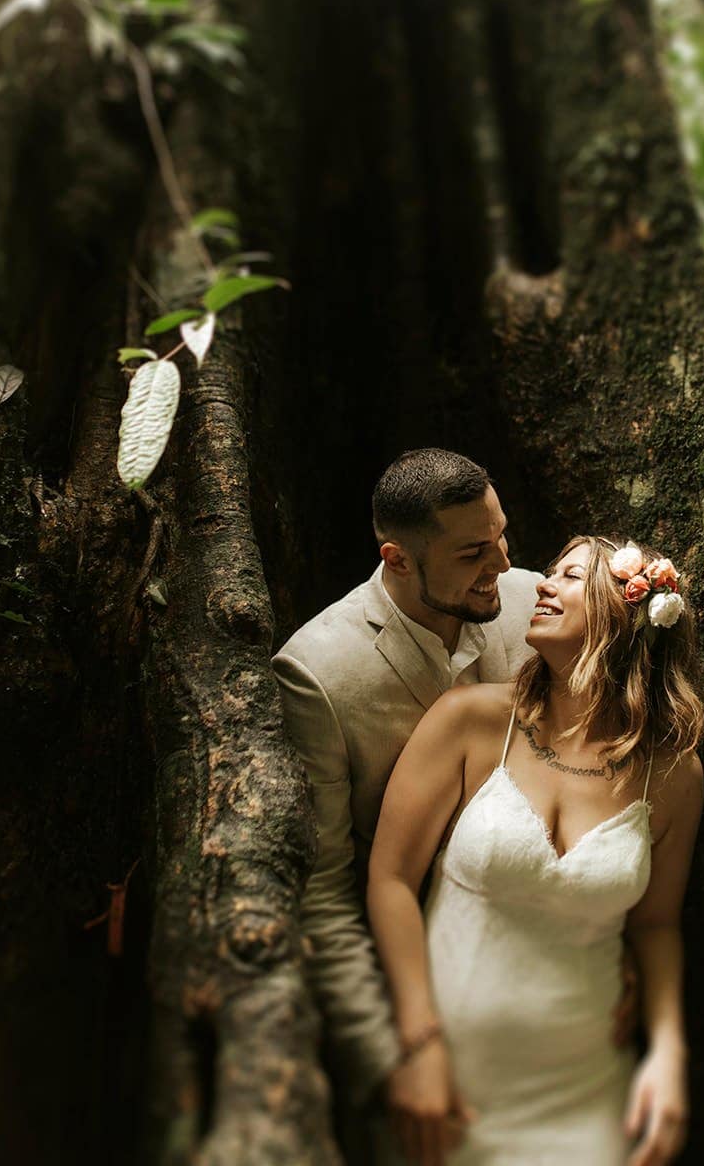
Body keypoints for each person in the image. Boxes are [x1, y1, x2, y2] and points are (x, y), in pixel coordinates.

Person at [367, 534, 704, 1166]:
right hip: (447, 1086)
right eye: (550, 572)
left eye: (571, 576)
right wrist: (417, 1044)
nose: (542, 585)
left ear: (624, 612)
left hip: (586, 1093)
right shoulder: (469, 721)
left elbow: (657, 926)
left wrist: (667, 1055)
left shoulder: (674, 776)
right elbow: (389, 882)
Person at [271, 449, 540, 1158]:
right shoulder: (318, 673)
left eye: (502, 535)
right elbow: (325, 895)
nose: (504, 566)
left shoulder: (538, 607)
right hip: (420, 999)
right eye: (474, 552)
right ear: (396, 558)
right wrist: (395, 1059)